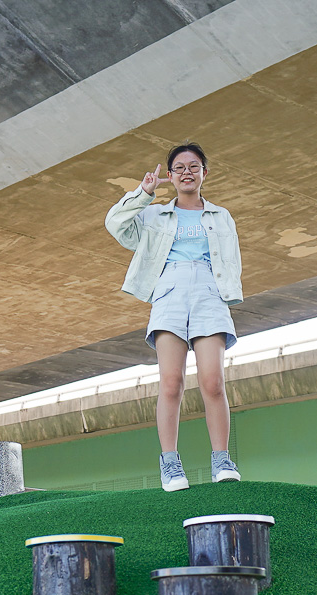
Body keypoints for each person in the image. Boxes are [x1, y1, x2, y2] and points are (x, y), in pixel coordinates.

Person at [105, 143, 243, 492]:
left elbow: (229, 259)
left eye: (193, 166)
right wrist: (143, 193)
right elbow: (115, 224)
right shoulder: (154, 215)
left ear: (203, 174)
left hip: (208, 292)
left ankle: (222, 460)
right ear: (170, 175)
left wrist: (225, 291)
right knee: (171, 383)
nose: (186, 172)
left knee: (212, 382)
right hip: (169, 291)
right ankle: (170, 464)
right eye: (179, 167)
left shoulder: (220, 216)